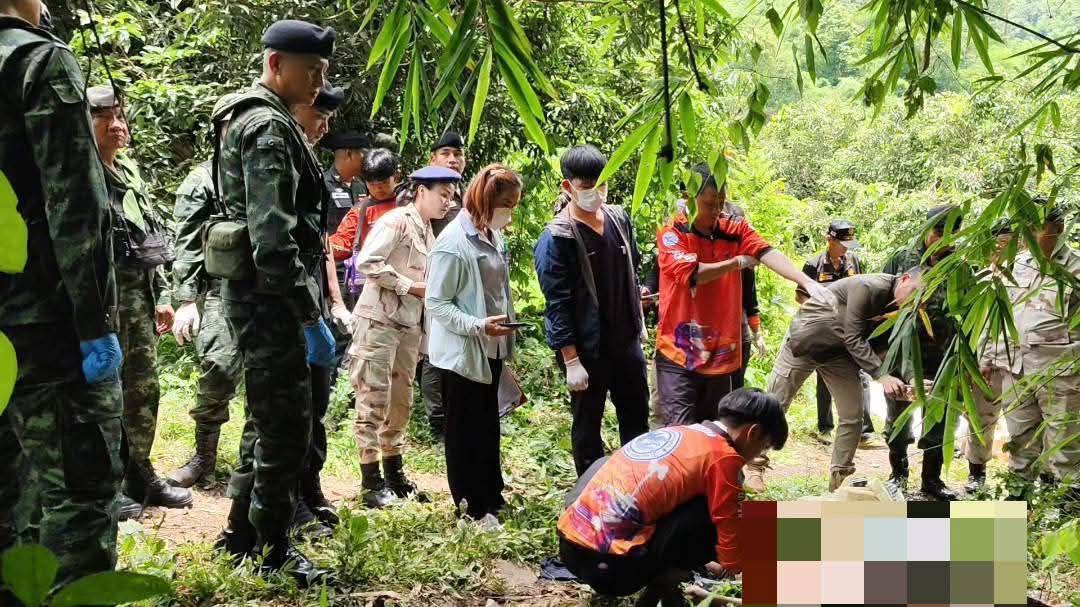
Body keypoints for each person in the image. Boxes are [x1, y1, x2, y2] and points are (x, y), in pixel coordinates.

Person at [0, 0, 124, 583]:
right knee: (80, 489)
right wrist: (95, 322)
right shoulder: (36, 62)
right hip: (44, 324)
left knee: (10, 491)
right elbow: (74, 205)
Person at [209, 19, 335, 585]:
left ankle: (240, 534)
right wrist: (310, 316)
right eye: (310, 71)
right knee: (286, 426)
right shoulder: (266, 128)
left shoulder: (261, 117)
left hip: (263, 300)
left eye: (324, 73)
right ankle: (273, 549)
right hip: (273, 303)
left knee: (264, 423)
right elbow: (273, 242)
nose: (317, 83)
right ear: (275, 64)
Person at [557, 388, 788, 604]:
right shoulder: (724, 458)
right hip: (612, 570)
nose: (759, 454)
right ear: (753, 433)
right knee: (707, 517)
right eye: (765, 447)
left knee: (607, 465)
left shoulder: (683, 432)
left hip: (571, 550)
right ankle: (659, 591)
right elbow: (727, 525)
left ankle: (665, 578)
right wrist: (740, 568)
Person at [655, 164, 832, 427]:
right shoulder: (673, 231)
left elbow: (766, 252)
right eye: (709, 204)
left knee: (714, 433)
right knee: (680, 432)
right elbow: (693, 273)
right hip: (678, 353)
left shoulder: (732, 227)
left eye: (721, 202)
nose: (716, 210)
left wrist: (806, 281)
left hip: (720, 357)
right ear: (688, 199)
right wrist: (737, 262)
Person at [87, 85, 192, 518]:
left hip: (138, 304)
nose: (116, 125)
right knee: (104, 398)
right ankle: (105, 484)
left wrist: (162, 296)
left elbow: (150, 236)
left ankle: (139, 471)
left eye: (120, 116)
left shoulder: (129, 173)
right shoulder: (82, 176)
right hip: (103, 308)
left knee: (143, 392)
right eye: (104, 117)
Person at [534, 145, 649, 476]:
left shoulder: (618, 219)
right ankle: (590, 490)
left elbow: (631, 268)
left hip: (625, 342)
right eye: (586, 188)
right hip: (587, 349)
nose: (595, 194)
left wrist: (637, 313)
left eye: (601, 185)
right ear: (567, 188)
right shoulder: (557, 237)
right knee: (588, 423)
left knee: (636, 416)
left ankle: (638, 484)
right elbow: (557, 303)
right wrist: (571, 360)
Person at [349, 166, 460, 508]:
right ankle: (371, 483)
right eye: (443, 194)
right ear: (421, 192)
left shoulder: (429, 231)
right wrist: (406, 285)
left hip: (409, 325)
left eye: (452, 196)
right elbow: (367, 262)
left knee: (401, 400)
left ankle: (394, 475)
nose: (447, 202)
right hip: (378, 321)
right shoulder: (397, 221)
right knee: (373, 399)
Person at [758, 269, 926, 491]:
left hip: (839, 355)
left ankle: (840, 479)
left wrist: (911, 380)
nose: (916, 301)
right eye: (915, 292)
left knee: (852, 415)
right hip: (805, 343)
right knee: (775, 406)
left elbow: (886, 348)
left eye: (922, 297)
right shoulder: (869, 287)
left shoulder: (901, 309)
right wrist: (881, 375)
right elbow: (853, 336)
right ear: (904, 279)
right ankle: (754, 466)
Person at [426, 164, 522, 528]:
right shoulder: (453, 243)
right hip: (463, 351)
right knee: (463, 430)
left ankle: (490, 493)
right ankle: (469, 504)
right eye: (506, 203)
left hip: (491, 347)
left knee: (487, 425)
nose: (510, 211)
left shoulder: (492, 235)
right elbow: (437, 303)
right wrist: (477, 326)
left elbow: (496, 291)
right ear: (485, 200)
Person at [167, 94, 245, 489]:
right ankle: (203, 457)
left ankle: (256, 467)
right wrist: (185, 301)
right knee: (217, 365)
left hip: (266, 288)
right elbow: (187, 242)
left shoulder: (264, 171)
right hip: (220, 291)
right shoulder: (202, 180)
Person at [289, 81, 345, 537]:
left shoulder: (308, 162)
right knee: (288, 413)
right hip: (289, 308)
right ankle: (290, 504)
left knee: (317, 404)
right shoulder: (275, 149)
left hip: (315, 302)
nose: (324, 128)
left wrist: (331, 304)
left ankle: (310, 487)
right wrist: (309, 318)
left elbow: (320, 245)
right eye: (319, 117)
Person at [880, 204, 962, 501]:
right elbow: (882, 304)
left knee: (939, 419)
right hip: (904, 354)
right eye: (939, 231)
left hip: (944, 357)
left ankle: (932, 480)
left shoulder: (960, 266)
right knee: (898, 417)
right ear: (927, 229)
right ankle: (898, 475)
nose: (944, 239)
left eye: (951, 232)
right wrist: (883, 361)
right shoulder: (902, 259)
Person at [1001, 206, 1078, 498]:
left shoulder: (1075, 268)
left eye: (1037, 228)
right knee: (1020, 441)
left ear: (1057, 228)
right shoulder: (1018, 264)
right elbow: (1004, 313)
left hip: (1062, 374)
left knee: (1065, 445)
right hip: (1019, 369)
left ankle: (1066, 519)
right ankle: (1017, 507)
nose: (1030, 235)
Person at [401, 131, 469, 440]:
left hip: (461, 283)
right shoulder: (421, 191)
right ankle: (437, 421)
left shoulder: (466, 194)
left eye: (457, 153)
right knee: (430, 351)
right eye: (445, 153)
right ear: (433, 159)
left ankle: (457, 413)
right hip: (425, 283)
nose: (453, 159)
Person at [795, 220, 877, 446]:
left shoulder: (853, 261)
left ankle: (864, 431)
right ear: (829, 239)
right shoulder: (813, 265)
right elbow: (800, 296)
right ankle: (825, 428)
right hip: (824, 328)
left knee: (860, 375)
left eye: (849, 244)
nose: (846, 248)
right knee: (824, 376)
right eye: (843, 243)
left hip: (850, 327)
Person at [966, 220, 1015, 493]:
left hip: (1019, 361)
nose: (1001, 250)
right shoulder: (981, 277)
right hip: (984, 362)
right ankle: (976, 473)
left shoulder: (1027, 275)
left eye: (1009, 244)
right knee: (980, 419)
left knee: (1022, 422)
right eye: (997, 244)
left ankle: (1020, 479)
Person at [328, 147, 401, 298]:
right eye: (372, 183)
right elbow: (343, 241)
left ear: (397, 177)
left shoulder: (410, 204)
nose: (378, 188)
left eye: (384, 182)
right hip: (371, 286)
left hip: (407, 281)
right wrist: (323, 245)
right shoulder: (360, 211)